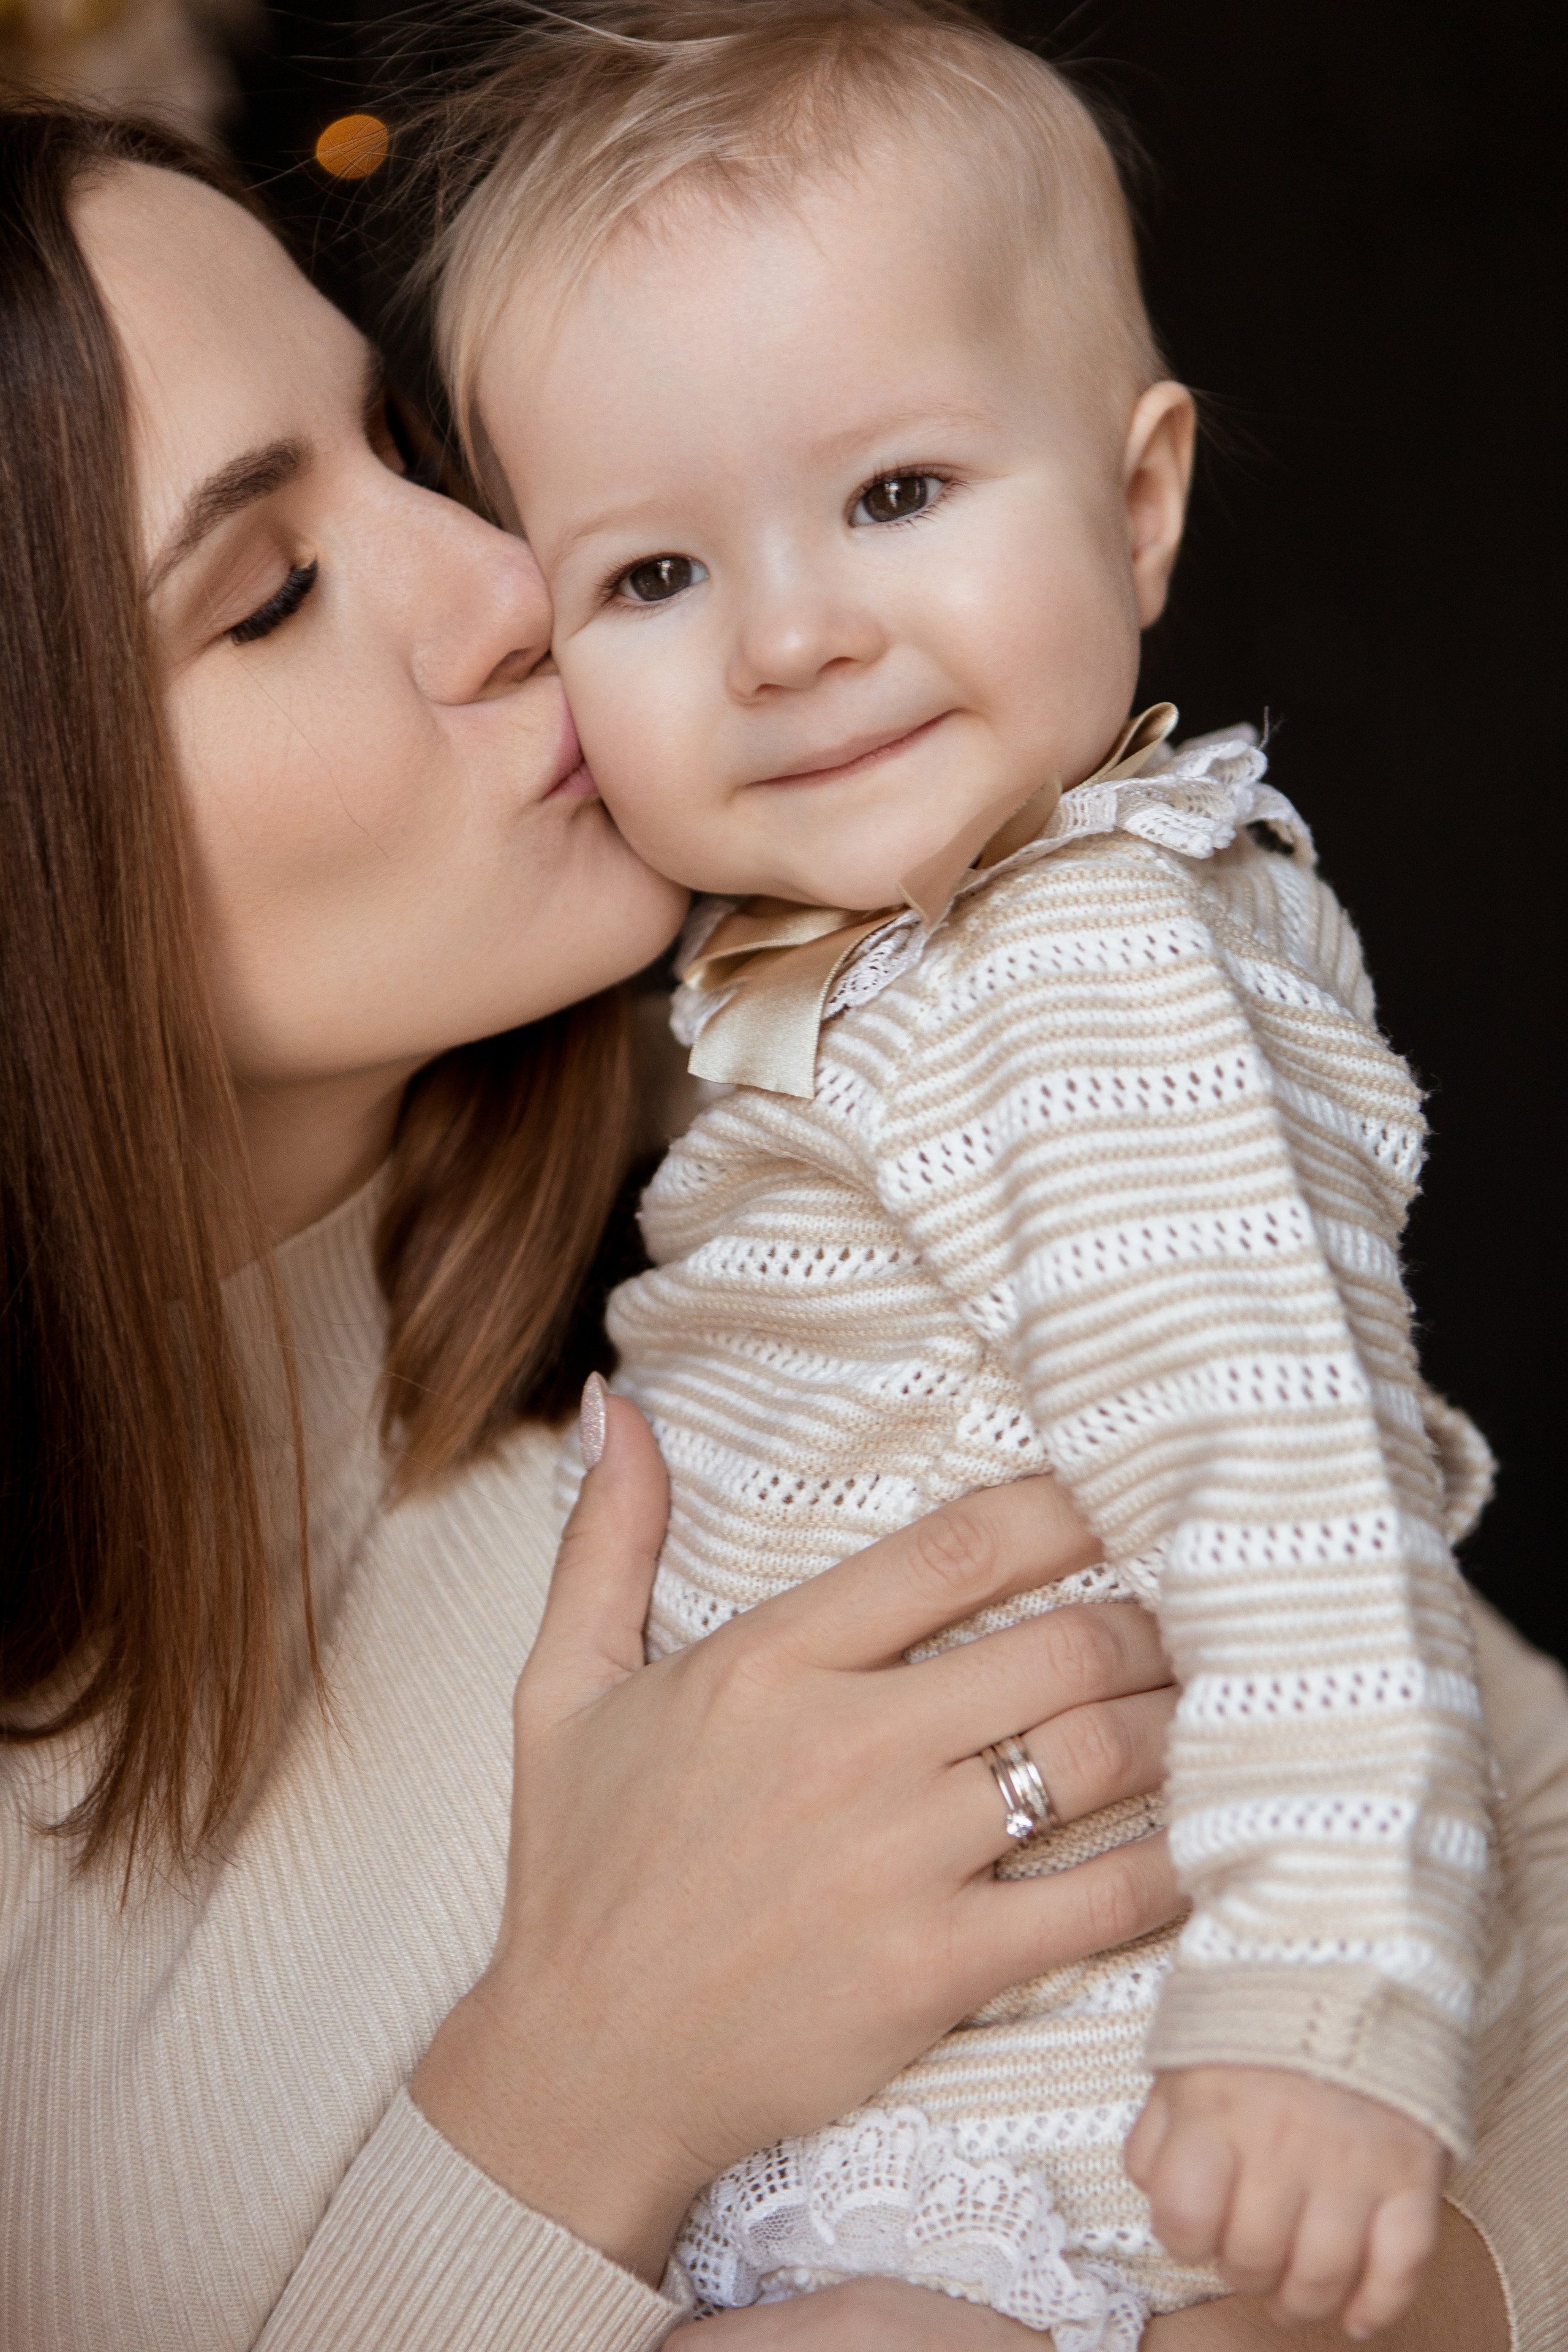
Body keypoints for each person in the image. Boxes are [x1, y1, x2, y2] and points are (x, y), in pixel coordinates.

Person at [0, 90, 1554, 2352]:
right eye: (271, 594)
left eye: (407, 453)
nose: (501, 579)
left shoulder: (839, 1230)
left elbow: (1498, 1816)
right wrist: (565, 2100)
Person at [425, 1, 1525, 2337]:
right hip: (892, 2084)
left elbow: (1288, 1482)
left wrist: (1327, 2022)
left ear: (1140, 501)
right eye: (650, 580)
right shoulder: (890, 966)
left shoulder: (1081, 961)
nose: (799, 634)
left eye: (896, 495)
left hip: (1074, 2111)